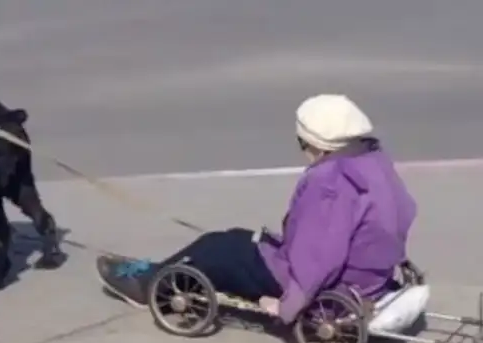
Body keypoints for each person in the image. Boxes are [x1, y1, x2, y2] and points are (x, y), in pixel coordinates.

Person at [96, 93, 417, 325]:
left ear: (317, 145)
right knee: (236, 238)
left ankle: (150, 284)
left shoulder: (330, 183)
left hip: (322, 284)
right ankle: (159, 270)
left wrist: (288, 306)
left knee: (217, 247)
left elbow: (319, 257)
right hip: (366, 277)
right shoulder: (373, 162)